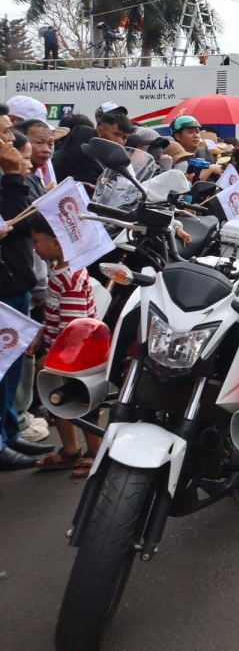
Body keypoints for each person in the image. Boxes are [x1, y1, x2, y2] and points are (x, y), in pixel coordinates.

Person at [26, 213, 100, 476]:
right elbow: (54, 313)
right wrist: (40, 336)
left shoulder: (71, 279)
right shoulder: (59, 272)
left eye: (36, 241)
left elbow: (75, 328)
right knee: (56, 399)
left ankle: (94, 451)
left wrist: (52, 358)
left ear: (56, 243)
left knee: (82, 402)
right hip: (60, 355)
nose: (34, 247)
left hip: (76, 358)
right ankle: (70, 449)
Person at [0, 135, 53, 470]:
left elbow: (26, 219)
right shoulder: (10, 176)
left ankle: (9, 431)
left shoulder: (18, 175)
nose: (8, 139)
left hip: (15, 281)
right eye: (4, 132)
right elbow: (19, 216)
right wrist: (13, 177)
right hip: (5, 284)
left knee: (11, 368)